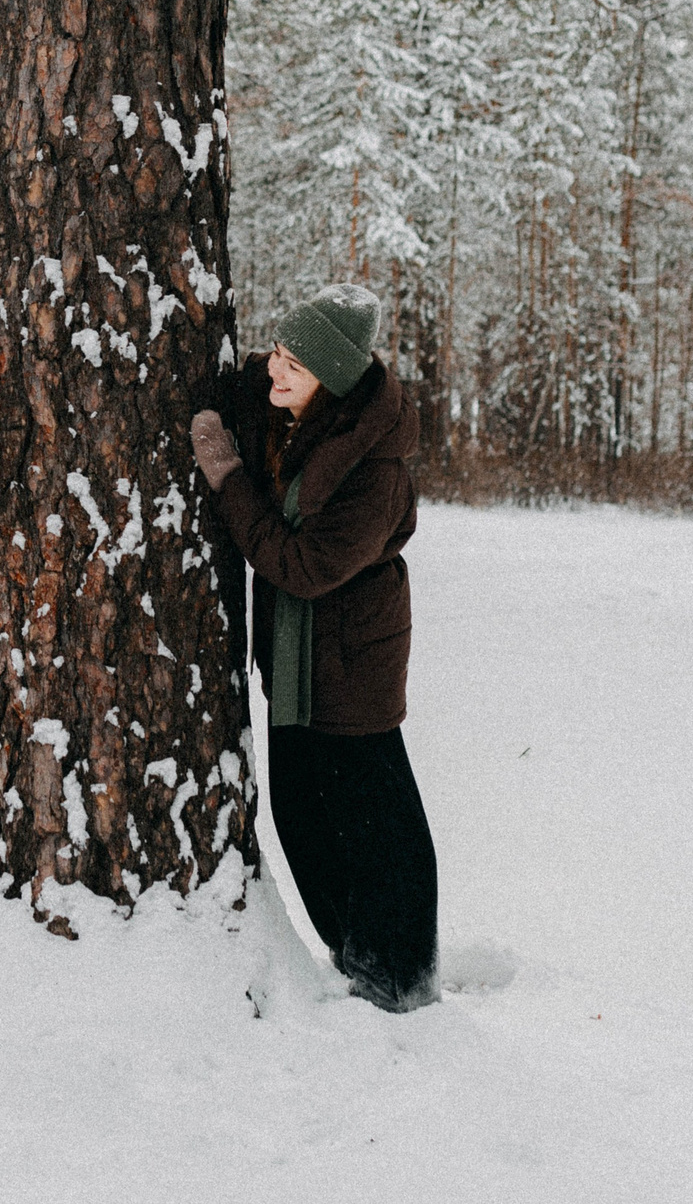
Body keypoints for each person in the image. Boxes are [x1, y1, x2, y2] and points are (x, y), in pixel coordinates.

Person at [190, 283, 437, 1011]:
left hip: (354, 663)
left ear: (332, 377)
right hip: (298, 663)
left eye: (294, 365)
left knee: (377, 821)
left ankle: (399, 970)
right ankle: (355, 951)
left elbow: (300, 565)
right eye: (280, 354)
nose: (275, 371)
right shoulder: (292, 411)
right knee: (300, 814)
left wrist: (228, 478)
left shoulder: (376, 472)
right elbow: (252, 380)